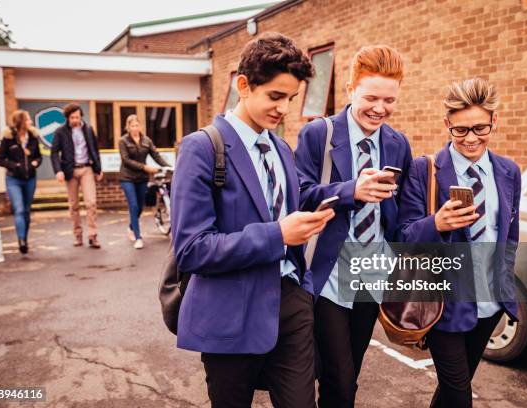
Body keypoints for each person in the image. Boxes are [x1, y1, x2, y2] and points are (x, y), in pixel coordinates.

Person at [171, 33, 335, 407]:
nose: (283, 109)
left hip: (291, 302)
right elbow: (192, 249)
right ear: (243, 86)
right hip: (230, 310)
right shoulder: (202, 147)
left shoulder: (280, 147)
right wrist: (278, 235)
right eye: (275, 96)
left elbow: (291, 202)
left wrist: (351, 191)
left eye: (291, 99)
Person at [294, 45, 413, 407]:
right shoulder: (319, 134)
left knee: (349, 374)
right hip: (330, 273)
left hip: (372, 274)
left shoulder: (397, 144)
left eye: (389, 100)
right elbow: (299, 195)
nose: (380, 108)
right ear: (349, 90)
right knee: (340, 378)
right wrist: (350, 191)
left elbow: (401, 215)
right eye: (371, 97)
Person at [397, 77, 521, 407]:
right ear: (447, 124)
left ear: (494, 120)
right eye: (460, 130)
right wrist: (436, 223)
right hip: (443, 305)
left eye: (480, 128)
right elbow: (404, 235)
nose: (470, 139)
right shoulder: (425, 171)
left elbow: (511, 236)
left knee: (455, 388)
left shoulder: (509, 171)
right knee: (459, 394)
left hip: (490, 304)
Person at [50, 103, 103, 248]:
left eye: (77, 117)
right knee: (74, 205)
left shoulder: (88, 129)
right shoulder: (60, 132)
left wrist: (98, 169)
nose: (75, 120)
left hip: (87, 169)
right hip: (70, 171)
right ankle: (78, 235)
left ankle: (93, 235)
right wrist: (58, 170)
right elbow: (54, 152)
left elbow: (95, 150)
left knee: (91, 203)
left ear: (81, 116)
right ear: (67, 118)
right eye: (72, 117)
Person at [119, 114, 171, 249]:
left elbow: (156, 156)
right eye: (132, 126)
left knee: (140, 206)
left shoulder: (146, 140)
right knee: (133, 206)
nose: (135, 128)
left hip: (142, 178)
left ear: (140, 126)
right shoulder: (123, 141)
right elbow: (126, 160)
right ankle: (138, 237)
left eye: (137, 125)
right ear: (128, 127)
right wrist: (145, 167)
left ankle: (131, 227)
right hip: (127, 178)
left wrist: (168, 166)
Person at [0, 110, 42, 254]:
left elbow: (39, 157)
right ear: (21, 122)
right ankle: (21, 240)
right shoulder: (8, 138)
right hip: (13, 179)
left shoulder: (33, 137)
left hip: (30, 179)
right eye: (28, 119)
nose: (31, 122)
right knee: (19, 209)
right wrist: (15, 166)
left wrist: (35, 162)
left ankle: (25, 238)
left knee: (26, 211)